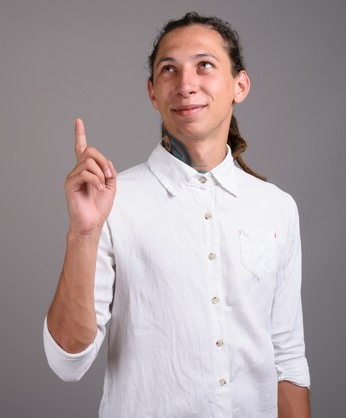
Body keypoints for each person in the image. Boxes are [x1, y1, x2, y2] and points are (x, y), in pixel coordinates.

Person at [43, 11, 311, 418]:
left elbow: (288, 359)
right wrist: (83, 233)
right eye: (169, 70)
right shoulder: (113, 203)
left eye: (204, 65)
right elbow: (67, 363)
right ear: (153, 92)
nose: (186, 85)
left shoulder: (277, 207)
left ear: (240, 85)